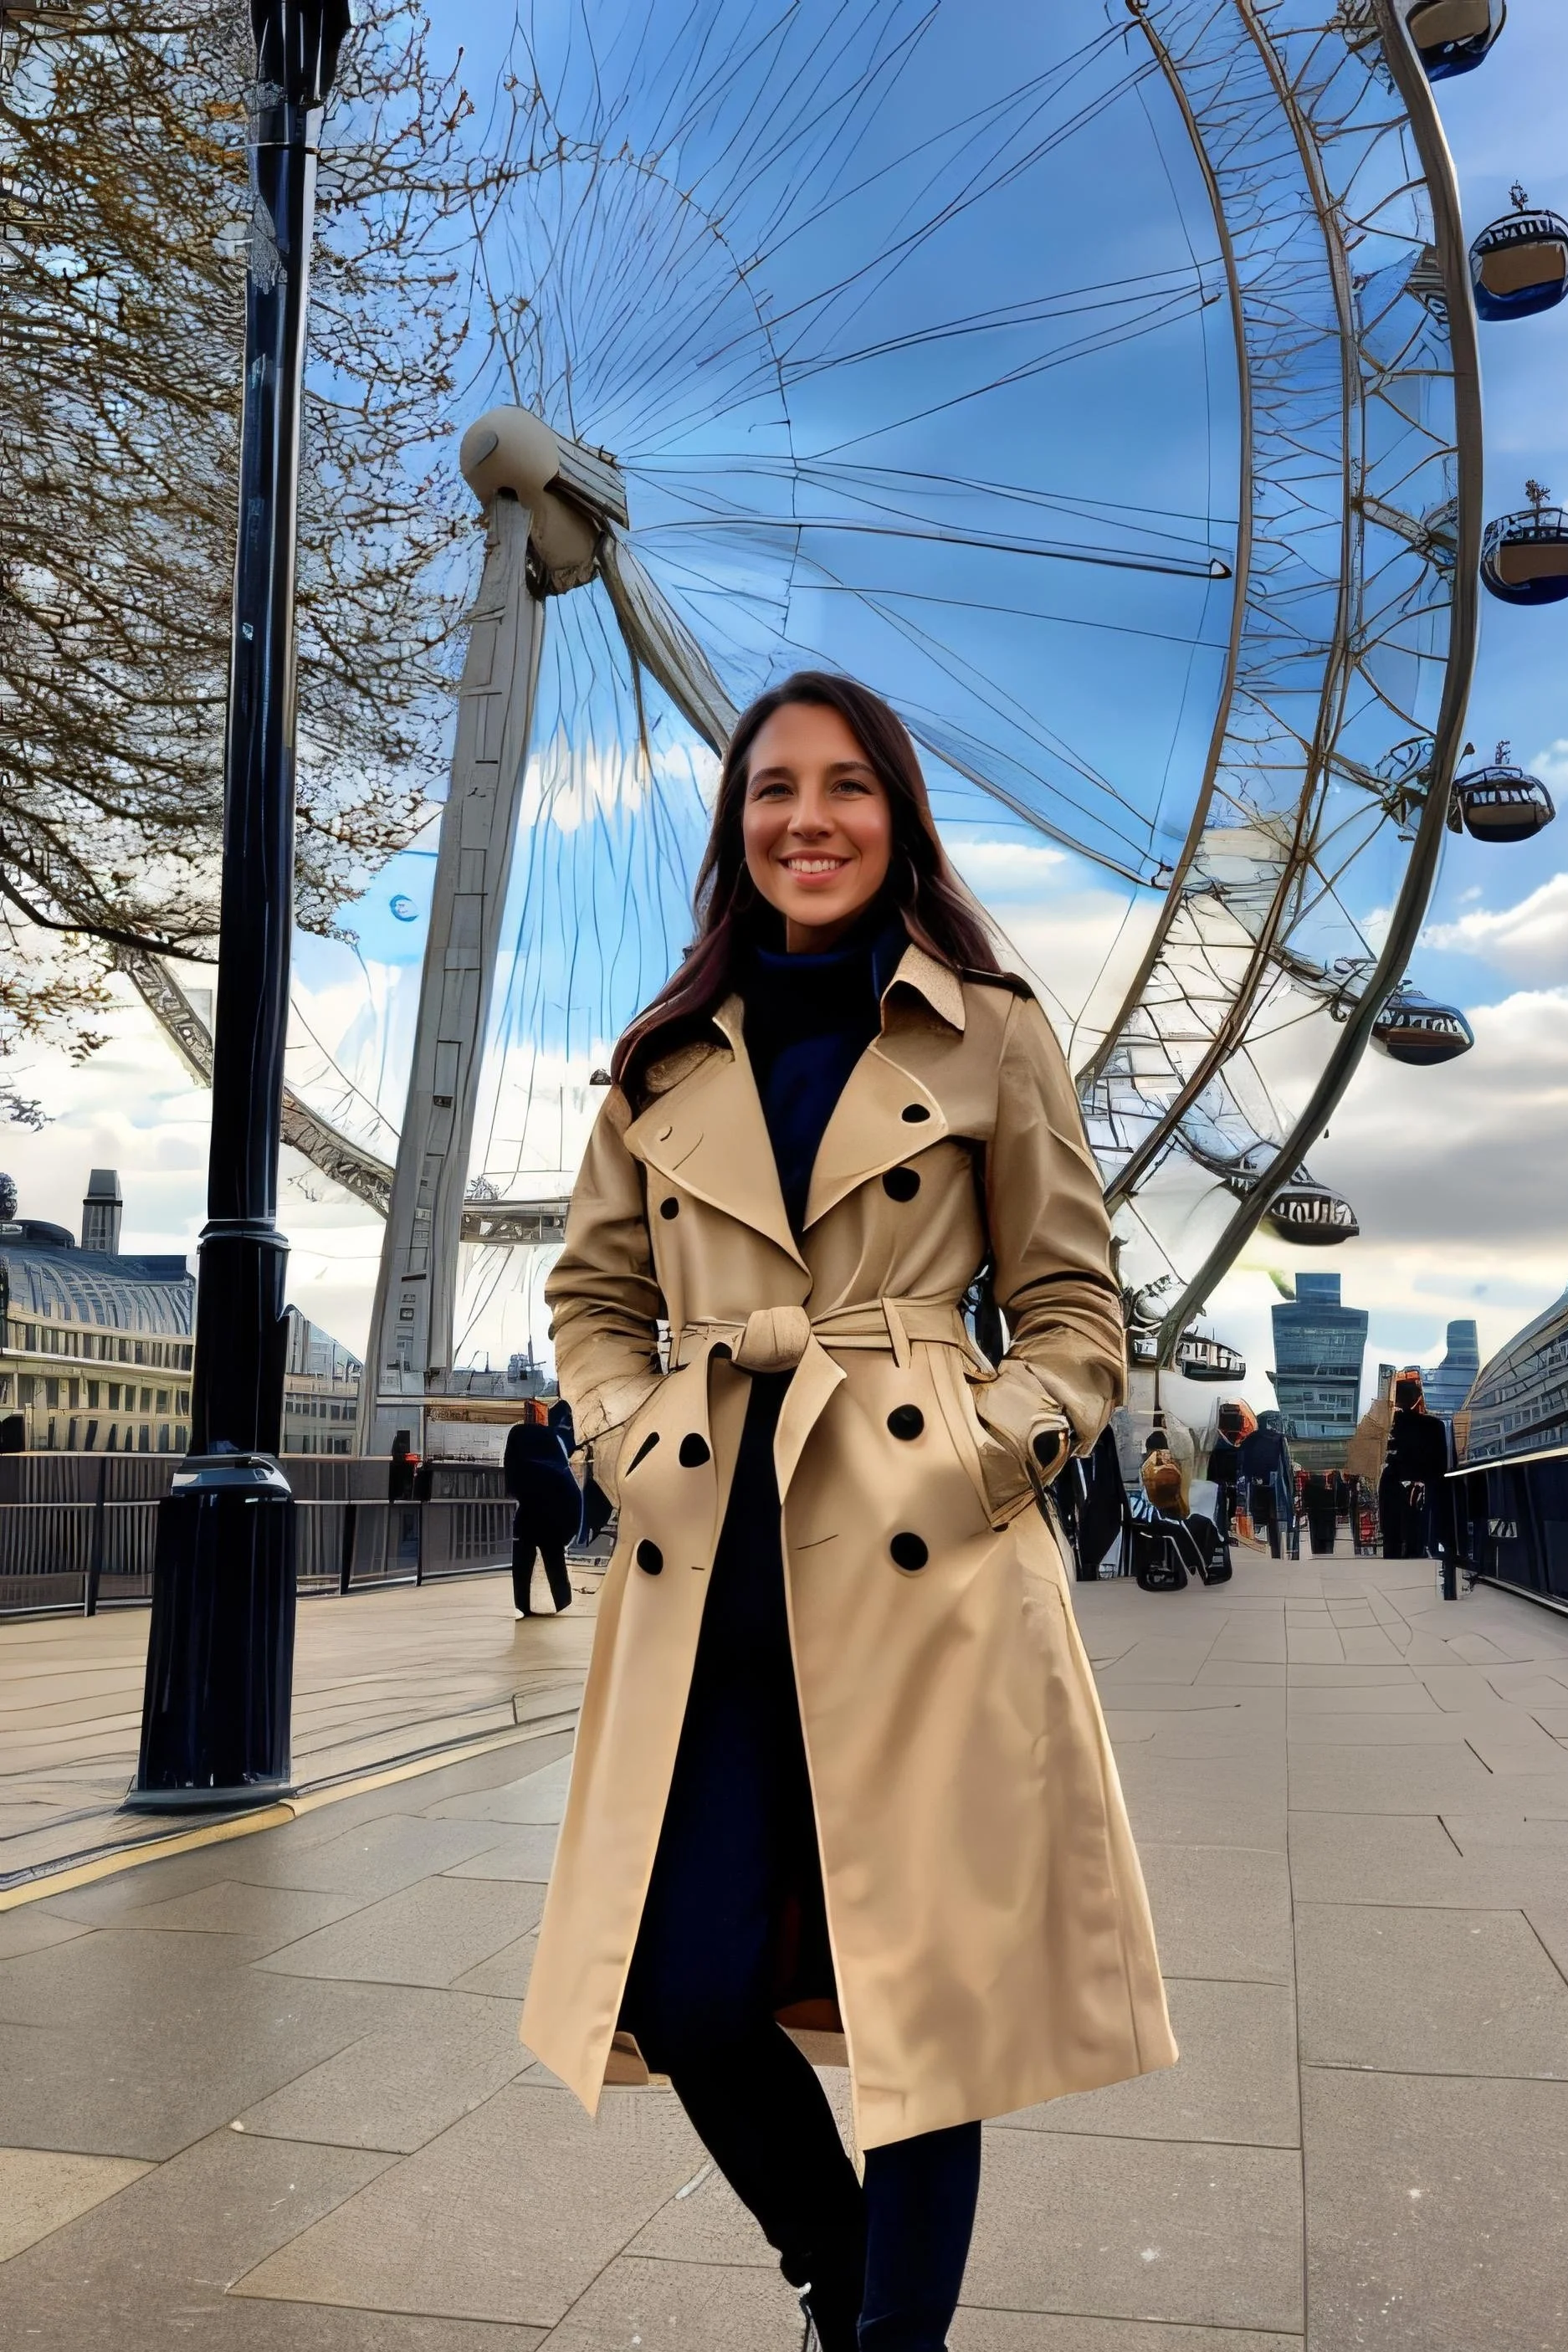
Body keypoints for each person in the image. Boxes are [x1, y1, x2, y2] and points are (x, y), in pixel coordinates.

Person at [520, 673, 1175, 2352]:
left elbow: (1075, 1316)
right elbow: (591, 1297)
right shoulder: (657, 1061)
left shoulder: (993, 1026)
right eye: (769, 790)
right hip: (710, 1572)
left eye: (843, 786)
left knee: (920, 2003)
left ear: (897, 817)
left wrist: (982, 1447)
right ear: (735, 826)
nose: (805, 818)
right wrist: (618, 1433)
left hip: (921, 1574)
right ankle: (835, 2263)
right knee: (682, 1990)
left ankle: (890, 2335)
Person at [503, 1400, 581, 1617]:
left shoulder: (518, 1435)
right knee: (554, 1560)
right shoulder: (551, 1440)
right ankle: (561, 1601)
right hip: (551, 1516)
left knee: (522, 1564)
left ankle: (523, 1605)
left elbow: (511, 1478)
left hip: (528, 1514)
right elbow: (567, 1483)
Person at [1237, 1409, 1294, 1559]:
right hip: (1273, 1485)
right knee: (1273, 1520)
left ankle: (1266, 1551)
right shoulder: (1278, 1439)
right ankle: (1276, 1552)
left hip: (1255, 1485)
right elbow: (1286, 1465)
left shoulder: (1250, 1439)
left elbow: (1243, 1464)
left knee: (1259, 1519)